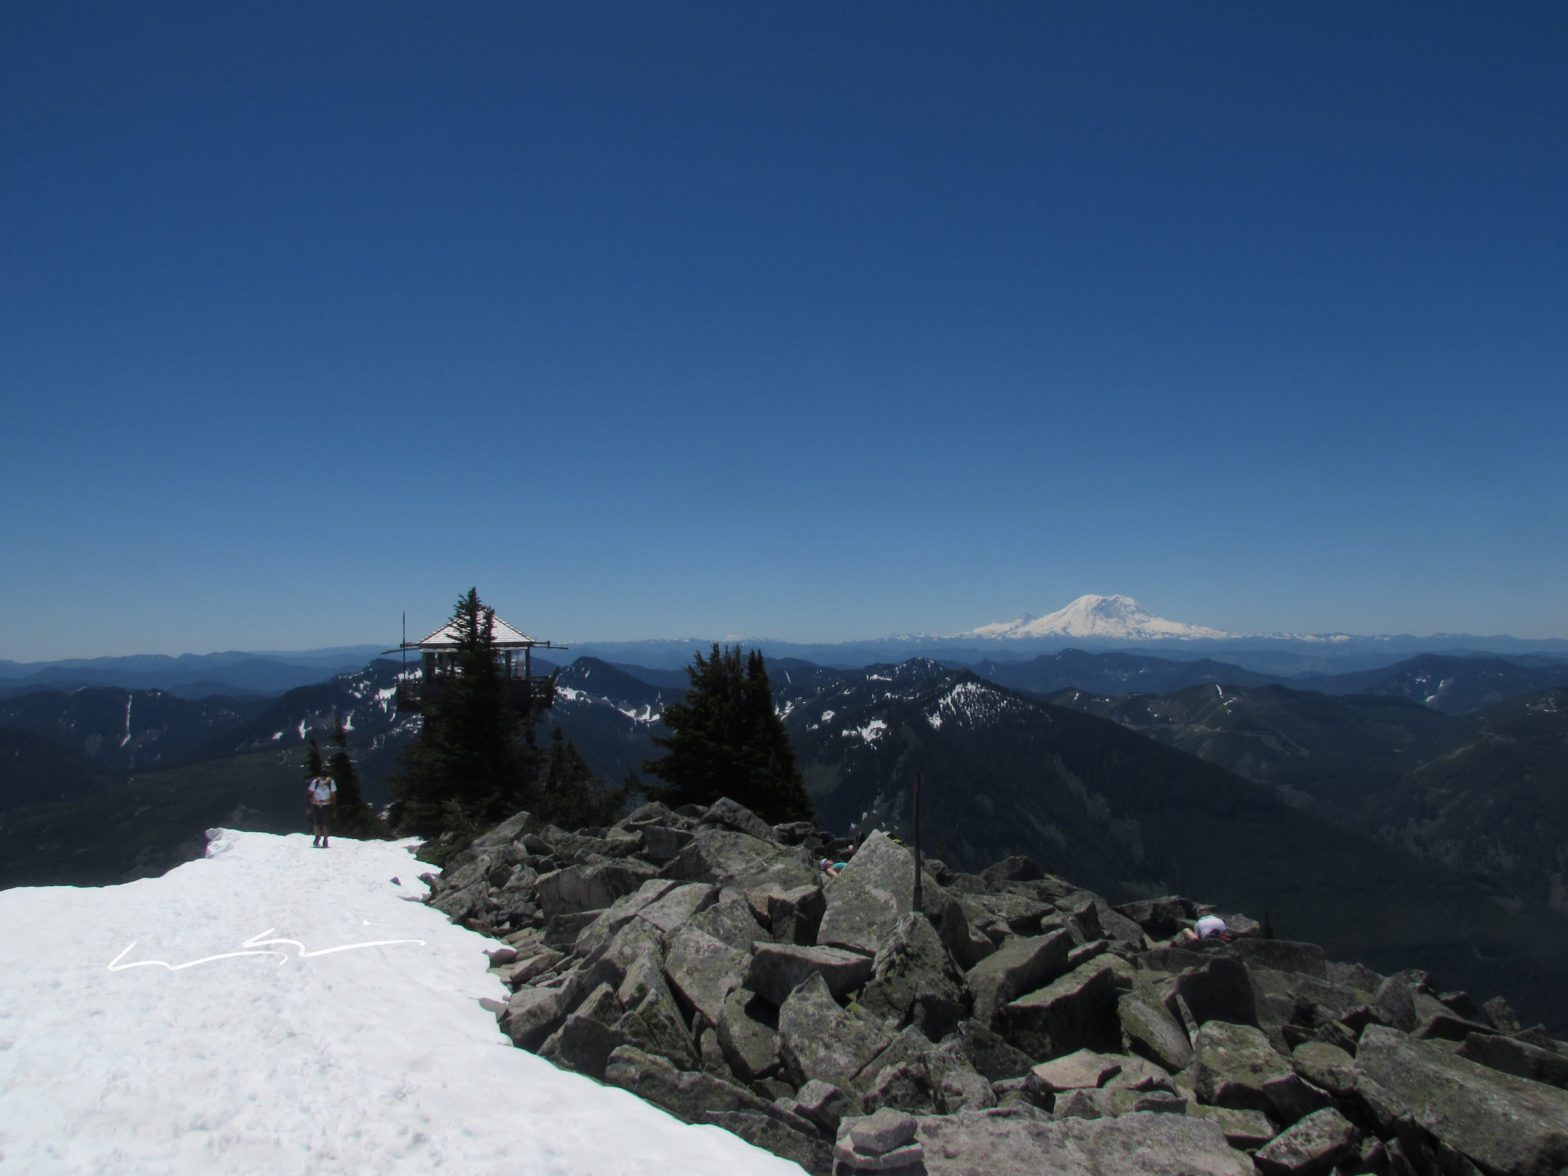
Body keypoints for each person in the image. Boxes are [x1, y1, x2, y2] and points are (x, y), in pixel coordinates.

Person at [306, 772, 337, 848]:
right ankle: (318, 837)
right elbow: (309, 793)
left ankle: (325, 839)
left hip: (327, 805)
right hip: (316, 804)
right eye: (322, 777)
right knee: (316, 823)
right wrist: (309, 806)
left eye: (324, 777)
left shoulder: (331, 783)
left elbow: (333, 796)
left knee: (325, 823)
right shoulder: (315, 782)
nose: (323, 778)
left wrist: (334, 808)